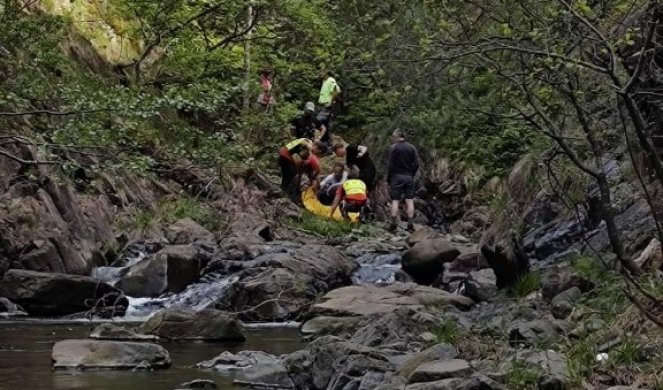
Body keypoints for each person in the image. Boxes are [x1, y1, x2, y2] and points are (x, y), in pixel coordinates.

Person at [387, 129, 420, 231]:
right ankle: (410, 222)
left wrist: (389, 178)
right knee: (409, 200)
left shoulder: (394, 148)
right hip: (408, 176)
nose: (392, 138)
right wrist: (412, 174)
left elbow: (390, 165)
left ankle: (393, 223)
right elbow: (417, 164)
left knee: (395, 200)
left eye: (393, 136)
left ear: (397, 136)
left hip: (396, 176)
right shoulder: (412, 148)